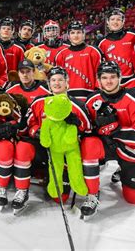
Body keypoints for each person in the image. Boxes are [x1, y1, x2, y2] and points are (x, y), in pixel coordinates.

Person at [14, 67, 101, 217]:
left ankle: (91, 192)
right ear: (48, 83)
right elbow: (25, 126)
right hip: (45, 147)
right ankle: (22, 191)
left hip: (67, 152)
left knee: (60, 197)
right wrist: (36, 131)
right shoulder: (39, 102)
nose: (57, 83)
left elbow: (88, 131)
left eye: (61, 79)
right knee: (22, 147)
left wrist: (77, 124)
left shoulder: (78, 105)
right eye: (53, 80)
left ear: (67, 83)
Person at [86, 61, 135, 205]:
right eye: (104, 77)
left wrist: (115, 130)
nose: (108, 81)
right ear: (98, 80)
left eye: (112, 77)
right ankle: (92, 192)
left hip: (132, 150)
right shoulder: (92, 100)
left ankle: (123, 171)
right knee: (88, 144)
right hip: (107, 146)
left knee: (133, 199)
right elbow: (88, 130)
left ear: (120, 77)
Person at [55, 21, 103, 101]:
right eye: (72, 33)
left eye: (79, 32)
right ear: (69, 36)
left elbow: (100, 74)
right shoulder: (61, 55)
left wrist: (98, 93)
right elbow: (58, 78)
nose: (76, 35)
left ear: (84, 34)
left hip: (90, 95)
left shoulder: (94, 51)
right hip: (67, 97)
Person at [97, 9, 135, 88]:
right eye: (112, 19)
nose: (115, 22)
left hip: (132, 81)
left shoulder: (133, 36)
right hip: (112, 83)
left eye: (118, 19)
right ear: (107, 22)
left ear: (123, 21)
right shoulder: (101, 43)